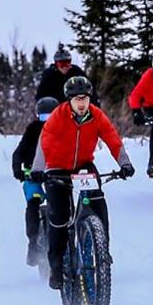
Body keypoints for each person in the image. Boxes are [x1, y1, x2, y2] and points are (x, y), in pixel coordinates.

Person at [37, 76, 137, 288]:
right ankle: (56, 267)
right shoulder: (58, 116)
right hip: (57, 168)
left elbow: (112, 139)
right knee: (59, 216)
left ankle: (102, 254)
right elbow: (43, 143)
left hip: (83, 165)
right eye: (77, 99)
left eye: (85, 98)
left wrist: (125, 164)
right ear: (69, 100)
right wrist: (38, 170)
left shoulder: (96, 115)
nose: (82, 103)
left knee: (98, 203)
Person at [12, 96, 56, 264]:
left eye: (51, 117)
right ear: (38, 117)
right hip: (33, 172)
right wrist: (19, 171)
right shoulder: (33, 130)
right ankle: (33, 240)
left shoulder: (63, 129)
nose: (48, 121)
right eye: (44, 117)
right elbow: (18, 153)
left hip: (56, 170)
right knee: (34, 199)